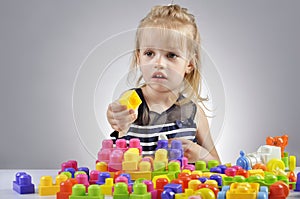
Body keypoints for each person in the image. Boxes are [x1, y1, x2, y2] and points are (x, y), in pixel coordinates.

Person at [106, 4, 220, 163]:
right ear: (139, 59)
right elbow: (116, 114)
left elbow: (217, 163)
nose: (158, 63)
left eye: (171, 55)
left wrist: (200, 155)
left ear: (189, 64)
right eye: (149, 53)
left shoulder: (195, 113)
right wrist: (116, 118)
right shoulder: (131, 103)